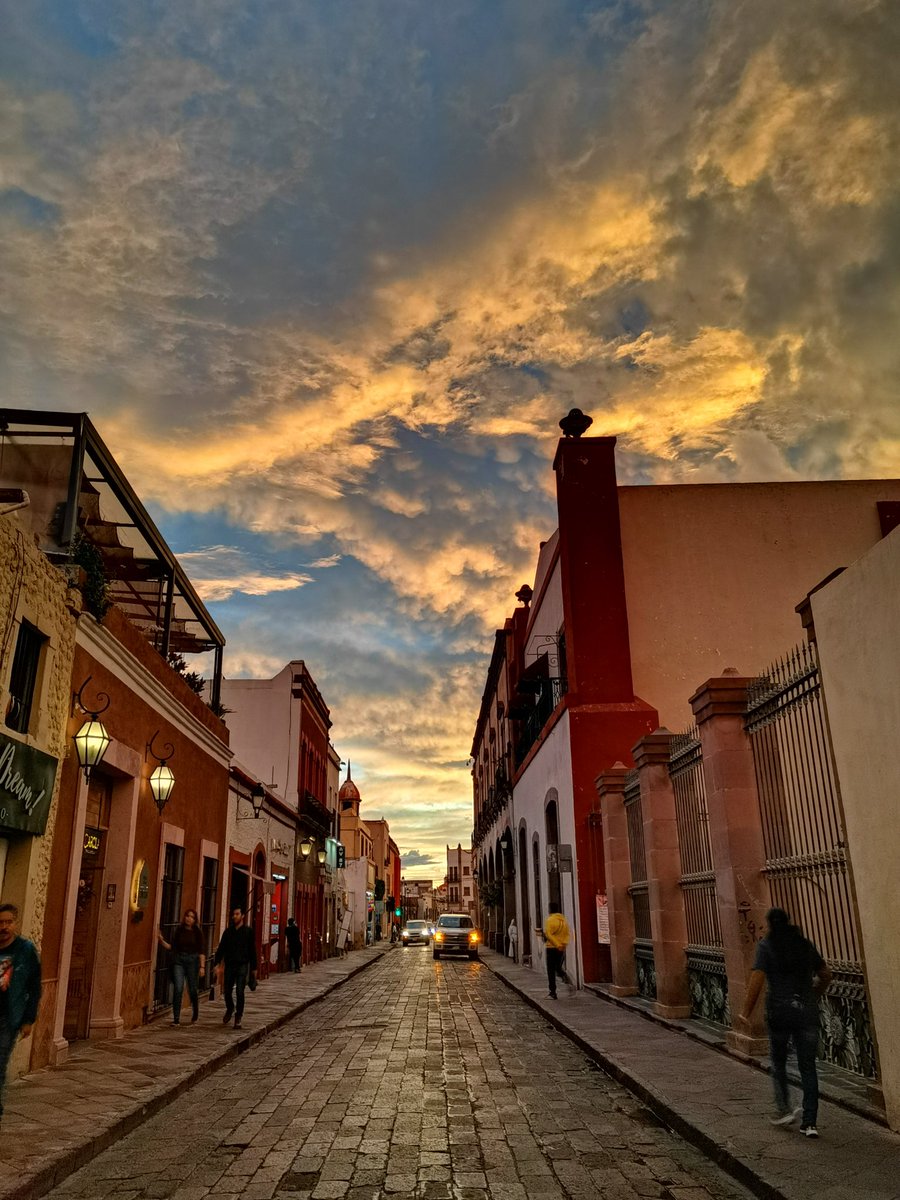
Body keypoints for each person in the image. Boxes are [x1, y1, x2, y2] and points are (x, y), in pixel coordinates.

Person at [739, 907, 832, 1138]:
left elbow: (757, 980)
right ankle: (810, 1122)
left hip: (779, 1012)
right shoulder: (804, 944)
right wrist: (814, 995)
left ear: (770, 924)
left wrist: (745, 1012)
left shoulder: (767, 946)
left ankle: (784, 1108)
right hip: (806, 1012)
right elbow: (826, 974)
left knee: (779, 1063)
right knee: (808, 1067)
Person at [0, 902, 41, 1122]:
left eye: (8, 922)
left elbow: (35, 986)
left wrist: (28, 1019)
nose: (4, 927)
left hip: (8, 1016)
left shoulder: (25, 950)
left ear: (15, 924)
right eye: (1, 922)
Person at [157, 908, 206, 1024]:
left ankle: (195, 1011)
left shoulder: (197, 932)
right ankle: (176, 1018)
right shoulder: (179, 931)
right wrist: (161, 941)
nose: (189, 918)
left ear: (195, 920)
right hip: (179, 961)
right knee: (178, 988)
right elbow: (172, 947)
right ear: (184, 917)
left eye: (192, 917)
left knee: (192, 989)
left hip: (192, 961)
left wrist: (202, 967)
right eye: (187, 916)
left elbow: (201, 951)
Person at [213, 907, 258, 1030]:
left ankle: (238, 1016)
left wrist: (254, 967)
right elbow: (221, 948)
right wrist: (217, 963)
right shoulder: (228, 932)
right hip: (230, 964)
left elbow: (252, 950)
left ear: (242, 916)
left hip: (242, 965)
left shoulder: (248, 932)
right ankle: (230, 1008)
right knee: (227, 990)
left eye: (237, 914)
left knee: (239, 991)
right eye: (234, 914)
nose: (235, 916)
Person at [542, 902, 575, 999]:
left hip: (551, 948)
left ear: (550, 909)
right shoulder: (563, 921)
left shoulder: (550, 920)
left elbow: (548, 934)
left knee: (551, 971)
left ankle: (553, 992)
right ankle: (564, 976)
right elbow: (567, 933)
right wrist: (563, 944)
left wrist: (556, 944)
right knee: (558, 968)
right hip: (561, 948)